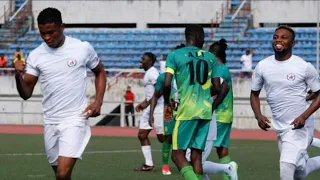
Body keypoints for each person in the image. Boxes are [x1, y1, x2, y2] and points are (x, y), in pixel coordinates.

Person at [13, 7, 106, 180]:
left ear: (62, 27)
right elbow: (26, 93)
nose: (47, 37)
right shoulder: (36, 56)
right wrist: (18, 74)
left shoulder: (82, 48)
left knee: (62, 174)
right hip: (50, 121)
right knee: (60, 174)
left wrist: (98, 102)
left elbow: (100, 72)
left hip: (75, 119)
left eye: (51, 32)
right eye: (42, 33)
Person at [250, 25, 320, 180]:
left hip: (301, 126)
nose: (278, 40)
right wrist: (258, 115)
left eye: (283, 37)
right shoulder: (263, 66)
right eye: (276, 37)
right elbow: (254, 94)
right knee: (299, 173)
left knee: (286, 167)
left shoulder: (304, 67)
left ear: (293, 43)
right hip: (281, 127)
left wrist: (304, 116)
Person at [163, 24, 225, 180]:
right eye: (203, 36)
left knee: (177, 155)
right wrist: (203, 94)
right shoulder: (210, 57)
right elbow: (217, 88)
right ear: (197, 36)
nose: (204, 39)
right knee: (196, 155)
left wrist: (167, 103)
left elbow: (166, 83)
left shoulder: (175, 55)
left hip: (186, 110)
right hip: (205, 111)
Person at [197, 39, 238, 180]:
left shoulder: (219, 69)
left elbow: (218, 90)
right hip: (226, 114)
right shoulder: (223, 68)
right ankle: (230, 174)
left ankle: (228, 169)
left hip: (219, 114)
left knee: (197, 155)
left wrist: (210, 107)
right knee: (222, 150)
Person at [148, 44, 184, 175]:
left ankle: (184, 163)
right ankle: (165, 165)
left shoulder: (188, 74)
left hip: (186, 108)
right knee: (167, 138)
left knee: (184, 137)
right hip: (169, 110)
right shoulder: (164, 77)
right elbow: (155, 96)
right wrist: (151, 114)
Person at [134, 52, 164, 172]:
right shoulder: (148, 73)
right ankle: (149, 164)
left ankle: (187, 152)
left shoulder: (153, 73)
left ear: (150, 61)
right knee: (142, 134)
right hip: (150, 108)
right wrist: (144, 103)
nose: (141, 61)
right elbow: (152, 92)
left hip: (157, 108)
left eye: (143, 59)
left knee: (163, 139)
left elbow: (160, 90)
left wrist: (148, 103)